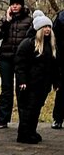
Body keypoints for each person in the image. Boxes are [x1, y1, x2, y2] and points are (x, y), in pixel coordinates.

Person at [14, 11, 60, 144]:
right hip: (30, 84)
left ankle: (31, 131)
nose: (47, 29)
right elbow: (20, 64)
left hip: (43, 85)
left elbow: (54, 66)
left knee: (36, 108)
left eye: (49, 27)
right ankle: (24, 134)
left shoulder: (51, 46)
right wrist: (22, 81)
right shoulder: (28, 44)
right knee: (28, 109)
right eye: (45, 27)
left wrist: (56, 82)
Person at [0, 0, 33, 128]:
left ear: (22, 5)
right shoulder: (5, 19)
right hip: (5, 58)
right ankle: (3, 119)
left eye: (17, 4)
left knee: (21, 89)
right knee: (6, 89)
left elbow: (32, 39)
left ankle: (24, 120)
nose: (15, 6)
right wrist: (7, 21)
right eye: (12, 4)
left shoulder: (29, 20)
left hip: (22, 60)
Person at [52, 8, 64, 129]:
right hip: (62, 58)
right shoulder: (61, 17)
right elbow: (54, 38)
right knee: (61, 90)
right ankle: (58, 118)